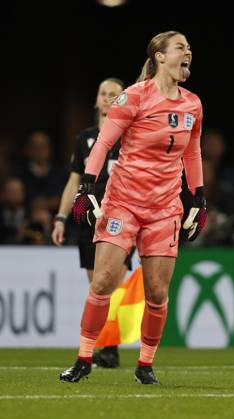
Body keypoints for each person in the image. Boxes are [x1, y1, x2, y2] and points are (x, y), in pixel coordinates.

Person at [60, 30, 207, 384]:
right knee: (103, 282)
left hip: (165, 208)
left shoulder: (192, 104)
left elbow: (192, 152)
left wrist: (199, 197)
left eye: (189, 48)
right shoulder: (133, 98)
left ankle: (145, 365)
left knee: (157, 292)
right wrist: (87, 185)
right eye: (179, 47)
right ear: (159, 56)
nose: (187, 52)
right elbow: (103, 143)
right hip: (123, 203)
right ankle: (84, 359)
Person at [52, 77, 141, 368]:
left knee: (113, 282)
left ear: (122, 100)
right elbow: (74, 181)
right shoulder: (85, 139)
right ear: (96, 100)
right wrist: (61, 218)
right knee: (97, 285)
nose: (106, 98)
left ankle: (109, 346)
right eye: (102, 93)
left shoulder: (132, 136)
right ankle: (102, 344)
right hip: (90, 218)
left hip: (122, 217)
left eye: (113, 94)